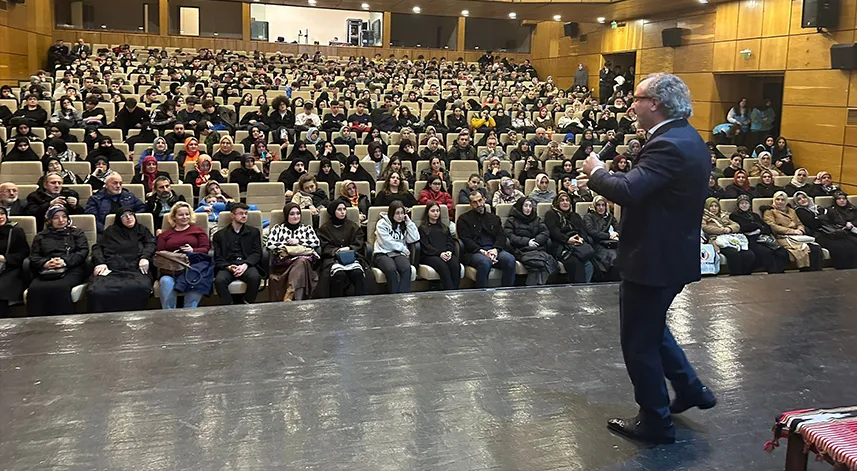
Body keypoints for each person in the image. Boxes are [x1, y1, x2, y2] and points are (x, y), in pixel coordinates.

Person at [581, 73, 716, 444]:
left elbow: (628, 192)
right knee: (652, 329)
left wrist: (597, 173)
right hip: (670, 254)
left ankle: (655, 421)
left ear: (655, 103)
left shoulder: (668, 144)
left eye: (636, 98)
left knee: (639, 342)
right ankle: (689, 389)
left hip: (653, 259)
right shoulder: (687, 137)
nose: (631, 105)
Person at [87, 207, 156, 313]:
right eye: (124, 216)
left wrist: (145, 257)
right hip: (112, 267)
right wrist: (100, 263)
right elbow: (97, 248)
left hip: (136, 267)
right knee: (97, 290)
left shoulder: (142, 230)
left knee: (140, 287)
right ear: (119, 219)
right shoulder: (110, 231)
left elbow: (151, 244)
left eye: (131, 214)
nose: (129, 218)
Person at [27, 205, 90, 316]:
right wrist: (46, 263)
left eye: (64, 217)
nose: (61, 220)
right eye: (56, 217)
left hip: (72, 267)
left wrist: (63, 261)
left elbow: (83, 252)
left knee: (60, 288)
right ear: (50, 220)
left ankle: (64, 323)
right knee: (35, 289)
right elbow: (34, 256)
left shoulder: (77, 233)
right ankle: (37, 324)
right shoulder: (41, 236)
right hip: (47, 270)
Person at [156, 201, 211, 309]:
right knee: (165, 281)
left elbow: (206, 249)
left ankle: (189, 315)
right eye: (181, 214)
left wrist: (193, 250)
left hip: (194, 268)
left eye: (187, 214)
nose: (184, 217)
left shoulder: (197, 230)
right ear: (174, 217)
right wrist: (174, 255)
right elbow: (160, 252)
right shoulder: (165, 234)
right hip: (172, 269)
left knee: (196, 280)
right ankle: (169, 316)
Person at [457, 190, 517, 288]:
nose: (479, 204)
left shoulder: (494, 218)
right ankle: (482, 294)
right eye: (475, 202)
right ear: (471, 204)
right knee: (485, 262)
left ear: (484, 200)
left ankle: (507, 291)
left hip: (493, 249)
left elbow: (501, 236)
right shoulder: (463, 219)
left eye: (480, 200)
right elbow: (465, 240)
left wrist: (495, 250)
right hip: (475, 252)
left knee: (510, 259)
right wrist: (483, 252)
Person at [265, 201, 320, 301]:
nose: (296, 216)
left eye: (298, 213)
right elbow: (269, 244)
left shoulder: (307, 229)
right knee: (301, 264)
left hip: (304, 261)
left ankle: (290, 293)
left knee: (301, 262)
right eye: (292, 214)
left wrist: (299, 241)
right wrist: (288, 245)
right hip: (284, 263)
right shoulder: (278, 229)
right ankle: (296, 300)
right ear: (286, 215)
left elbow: (316, 242)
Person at [212, 203, 263, 304]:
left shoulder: (253, 232)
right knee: (220, 280)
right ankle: (229, 306)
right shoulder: (219, 235)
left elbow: (257, 253)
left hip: (246, 264)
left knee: (255, 277)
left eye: (246, 213)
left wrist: (245, 265)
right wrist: (229, 267)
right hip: (228, 265)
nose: (244, 216)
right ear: (232, 215)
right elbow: (218, 257)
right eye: (241, 213)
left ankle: (247, 303)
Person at [793, 191, 857, 269]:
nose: (803, 200)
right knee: (839, 247)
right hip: (818, 234)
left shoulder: (817, 207)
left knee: (849, 243)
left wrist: (819, 218)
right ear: (796, 202)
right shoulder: (799, 210)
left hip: (830, 231)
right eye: (799, 199)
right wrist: (822, 217)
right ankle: (843, 268)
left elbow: (830, 218)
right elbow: (812, 223)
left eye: (804, 197)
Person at [729, 194, 789, 274]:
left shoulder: (755, 215)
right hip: (749, 239)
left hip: (762, 238)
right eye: (742, 203)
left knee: (780, 251)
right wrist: (758, 226)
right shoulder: (734, 215)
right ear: (738, 205)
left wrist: (758, 228)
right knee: (766, 252)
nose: (744, 205)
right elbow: (743, 227)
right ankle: (773, 273)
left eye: (746, 203)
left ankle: (780, 271)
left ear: (749, 204)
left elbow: (767, 228)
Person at [763, 191, 823, 271]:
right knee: (804, 249)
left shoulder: (791, 210)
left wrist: (800, 230)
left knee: (815, 248)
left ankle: (814, 272)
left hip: (798, 236)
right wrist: (792, 231)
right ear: (774, 200)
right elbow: (773, 226)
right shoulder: (769, 211)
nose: (780, 202)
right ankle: (805, 270)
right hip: (782, 237)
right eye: (778, 199)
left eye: (783, 200)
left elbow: (799, 223)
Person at [503, 197, 556, 285]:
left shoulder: (536, 219)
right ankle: (540, 288)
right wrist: (527, 242)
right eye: (526, 206)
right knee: (543, 264)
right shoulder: (512, 220)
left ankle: (536, 289)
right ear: (520, 207)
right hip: (521, 250)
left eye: (530, 206)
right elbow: (510, 236)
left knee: (550, 262)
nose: (528, 209)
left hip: (537, 248)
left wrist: (536, 240)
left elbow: (545, 231)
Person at [372, 200, 419, 294]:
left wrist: (409, 222)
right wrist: (403, 248)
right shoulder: (382, 223)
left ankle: (402, 296)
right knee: (391, 269)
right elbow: (386, 242)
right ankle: (394, 296)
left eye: (402, 213)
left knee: (406, 268)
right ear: (391, 213)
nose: (400, 216)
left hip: (398, 254)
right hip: (382, 253)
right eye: (397, 213)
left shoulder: (404, 224)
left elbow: (415, 238)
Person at [701, 197, 755, 275]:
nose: (714, 208)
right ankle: (736, 275)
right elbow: (705, 227)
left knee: (749, 254)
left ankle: (745, 275)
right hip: (715, 240)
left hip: (729, 239)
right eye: (711, 206)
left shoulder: (724, 215)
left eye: (716, 206)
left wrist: (729, 228)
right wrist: (722, 230)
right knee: (733, 253)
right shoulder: (704, 217)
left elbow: (736, 225)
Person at [418, 201, 460, 290]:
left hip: (445, 253)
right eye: (433, 211)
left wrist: (449, 251)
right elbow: (425, 246)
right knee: (442, 266)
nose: (436, 213)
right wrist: (439, 253)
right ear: (428, 213)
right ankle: (449, 291)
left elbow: (450, 242)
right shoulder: (422, 228)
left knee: (455, 264)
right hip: (430, 255)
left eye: (437, 211)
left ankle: (456, 290)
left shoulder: (444, 227)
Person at [0, 207, 30, 316]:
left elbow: (24, 254)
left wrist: (5, 258)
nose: (0, 217)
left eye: (2, 214)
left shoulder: (15, 231)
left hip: (11, 268)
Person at [583, 195, 621, 281]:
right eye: (598, 205)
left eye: (603, 205)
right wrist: (608, 235)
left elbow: (619, 229)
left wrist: (616, 235)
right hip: (598, 244)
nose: (601, 208)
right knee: (613, 257)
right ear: (594, 206)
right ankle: (611, 282)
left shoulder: (609, 216)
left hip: (613, 242)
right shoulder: (589, 216)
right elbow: (592, 232)